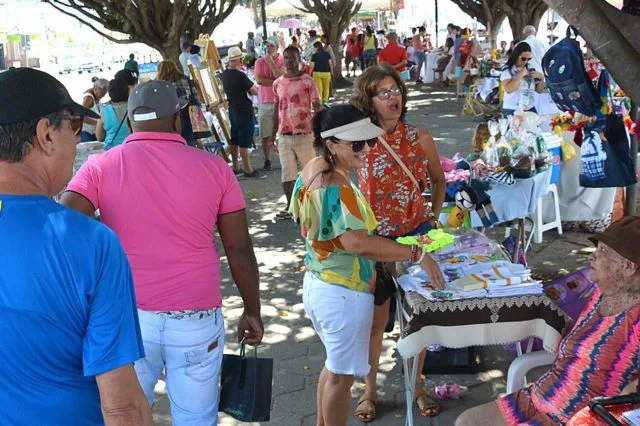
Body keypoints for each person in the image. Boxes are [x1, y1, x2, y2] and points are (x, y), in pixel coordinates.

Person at [60, 80, 264, 425]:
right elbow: (239, 247)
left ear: (129, 123)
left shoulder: (100, 166)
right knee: (196, 419)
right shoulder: (215, 168)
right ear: (176, 120)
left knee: (128, 415)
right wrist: (252, 310)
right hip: (196, 319)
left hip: (127, 317)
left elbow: (65, 223)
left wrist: (104, 226)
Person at [0, 67, 152, 425]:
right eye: (73, 128)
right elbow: (122, 408)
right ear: (46, 135)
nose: (77, 140)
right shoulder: (91, 243)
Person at [290, 103, 445, 426]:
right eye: (357, 144)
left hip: (321, 284)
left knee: (334, 369)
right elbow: (357, 243)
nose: (367, 149)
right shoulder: (336, 184)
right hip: (342, 292)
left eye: (370, 141)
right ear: (331, 144)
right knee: (341, 378)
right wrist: (415, 252)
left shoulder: (314, 168)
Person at [456, 216, 640, 426]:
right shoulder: (601, 292)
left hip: (581, 418)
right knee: (466, 421)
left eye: (604, 252)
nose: (593, 256)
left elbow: (628, 405)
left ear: (628, 267)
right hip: (540, 396)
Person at [351, 65, 446, 421]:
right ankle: (369, 391)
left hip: (415, 239)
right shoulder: (358, 140)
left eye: (396, 90)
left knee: (416, 320)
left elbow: (438, 181)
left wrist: (432, 219)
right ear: (368, 99)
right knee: (375, 322)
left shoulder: (418, 136)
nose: (394, 97)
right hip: (375, 244)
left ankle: (416, 386)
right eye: (384, 92)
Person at [271, 46, 322, 220]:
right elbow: (275, 109)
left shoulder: (308, 81)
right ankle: (291, 207)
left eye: (292, 57)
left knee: (311, 172)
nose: (289, 61)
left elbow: (317, 106)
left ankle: (314, 205)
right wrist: (272, 136)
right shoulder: (277, 83)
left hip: (305, 134)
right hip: (284, 136)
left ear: (299, 58)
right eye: (286, 57)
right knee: (287, 173)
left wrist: (320, 130)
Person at [222, 46, 263, 178]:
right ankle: (248, 169)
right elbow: (254, 90)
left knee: (234, 139)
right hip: (243, 110)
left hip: (233, 109)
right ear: (239, 60)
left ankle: (236, 165)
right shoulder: (240, 75)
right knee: (244, 140)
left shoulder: (225, 74)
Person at [156, 59, 204, 148]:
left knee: (175, 143)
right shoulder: (184, 78)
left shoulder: (158, 84)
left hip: (169, 117)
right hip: (187, 114)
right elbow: (194, 95)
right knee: (189, 142)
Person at [254, 36, 285, 171]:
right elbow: (259, 80)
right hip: (265, 101)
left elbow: (282, 78)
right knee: (265, 133)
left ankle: (286, 158)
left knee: (284, 133)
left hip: (282, 100)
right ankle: (267, 159)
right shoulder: (259, 62)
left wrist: (272, 64)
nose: (268, 48)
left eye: (271, 46)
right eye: (267, 46)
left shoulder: (283, 60)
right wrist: (275, 80)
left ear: (277, 47)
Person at [501, 42, 545, 116]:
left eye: (529, 59)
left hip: (529, 107)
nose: (526, 61)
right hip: (512, 108)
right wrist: (521, 74)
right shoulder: (507, 69)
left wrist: (541, 78)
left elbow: (539, 90)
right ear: (517, 55)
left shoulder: (530, 68)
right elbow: (509, 89)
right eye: (523, 58)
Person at [96, 78, 130, 150]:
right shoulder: (133, 108)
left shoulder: (104, 111)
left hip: (111, 151)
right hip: (131, 149)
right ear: (127, 91)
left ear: (109, 92)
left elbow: (99, 137)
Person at [80, 78, 108, 142]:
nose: (103, 96)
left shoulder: (96, 94)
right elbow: (82, 117)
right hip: (86, 132)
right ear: (95, 89)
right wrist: (98, 123)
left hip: (93, 131)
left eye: (104, 93)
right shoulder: (88, 99)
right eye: (102, 93)